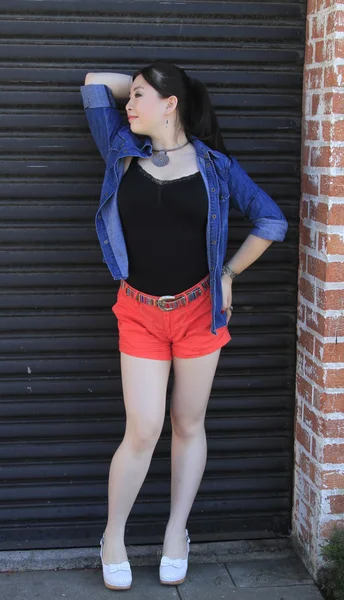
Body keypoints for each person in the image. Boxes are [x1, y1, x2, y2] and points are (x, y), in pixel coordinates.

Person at [80, 60, 289, 591]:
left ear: (169, 105)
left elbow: (271, 220)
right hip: (140, 311)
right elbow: (93, 85)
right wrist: (153, 85)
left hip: (199, 312)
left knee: (187, 425)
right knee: (144, 428)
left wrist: (228, 272)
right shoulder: (121, 148)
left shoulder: (216, 167)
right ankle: (113, 536)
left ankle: (177, 533)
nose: (129, 105)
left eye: (142, 97)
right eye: (131, 98)